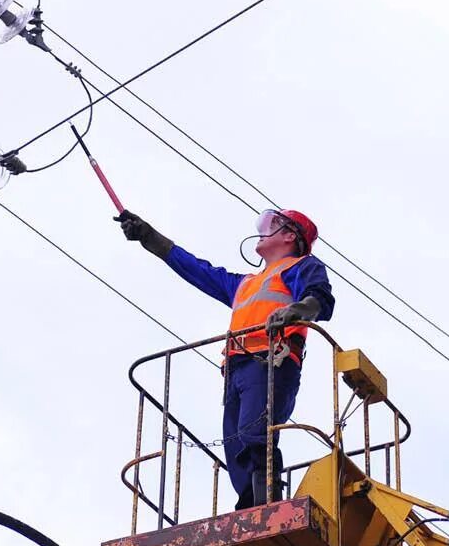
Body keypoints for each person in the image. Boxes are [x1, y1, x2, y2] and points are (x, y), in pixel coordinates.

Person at [115, 208, 334, 509]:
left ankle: (263, 505)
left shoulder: (301, 266)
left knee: (255, 433)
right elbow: (197, 270)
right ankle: (250, 505)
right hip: (236, 369)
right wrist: (148, 235)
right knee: (235, 443)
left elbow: (320, 300)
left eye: (274, 224)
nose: (263, 230)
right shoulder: (244, 283)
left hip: (271, 362)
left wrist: (296, 311)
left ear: (289, 236)